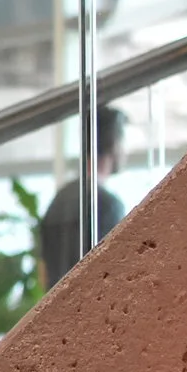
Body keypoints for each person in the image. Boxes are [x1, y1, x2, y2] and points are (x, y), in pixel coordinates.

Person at [39, 103, 128, 288]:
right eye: (123, 143)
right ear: (114, 144)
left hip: (57, 304)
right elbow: (116, 272)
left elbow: (44, 272)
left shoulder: (58, 201)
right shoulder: (108, 204)